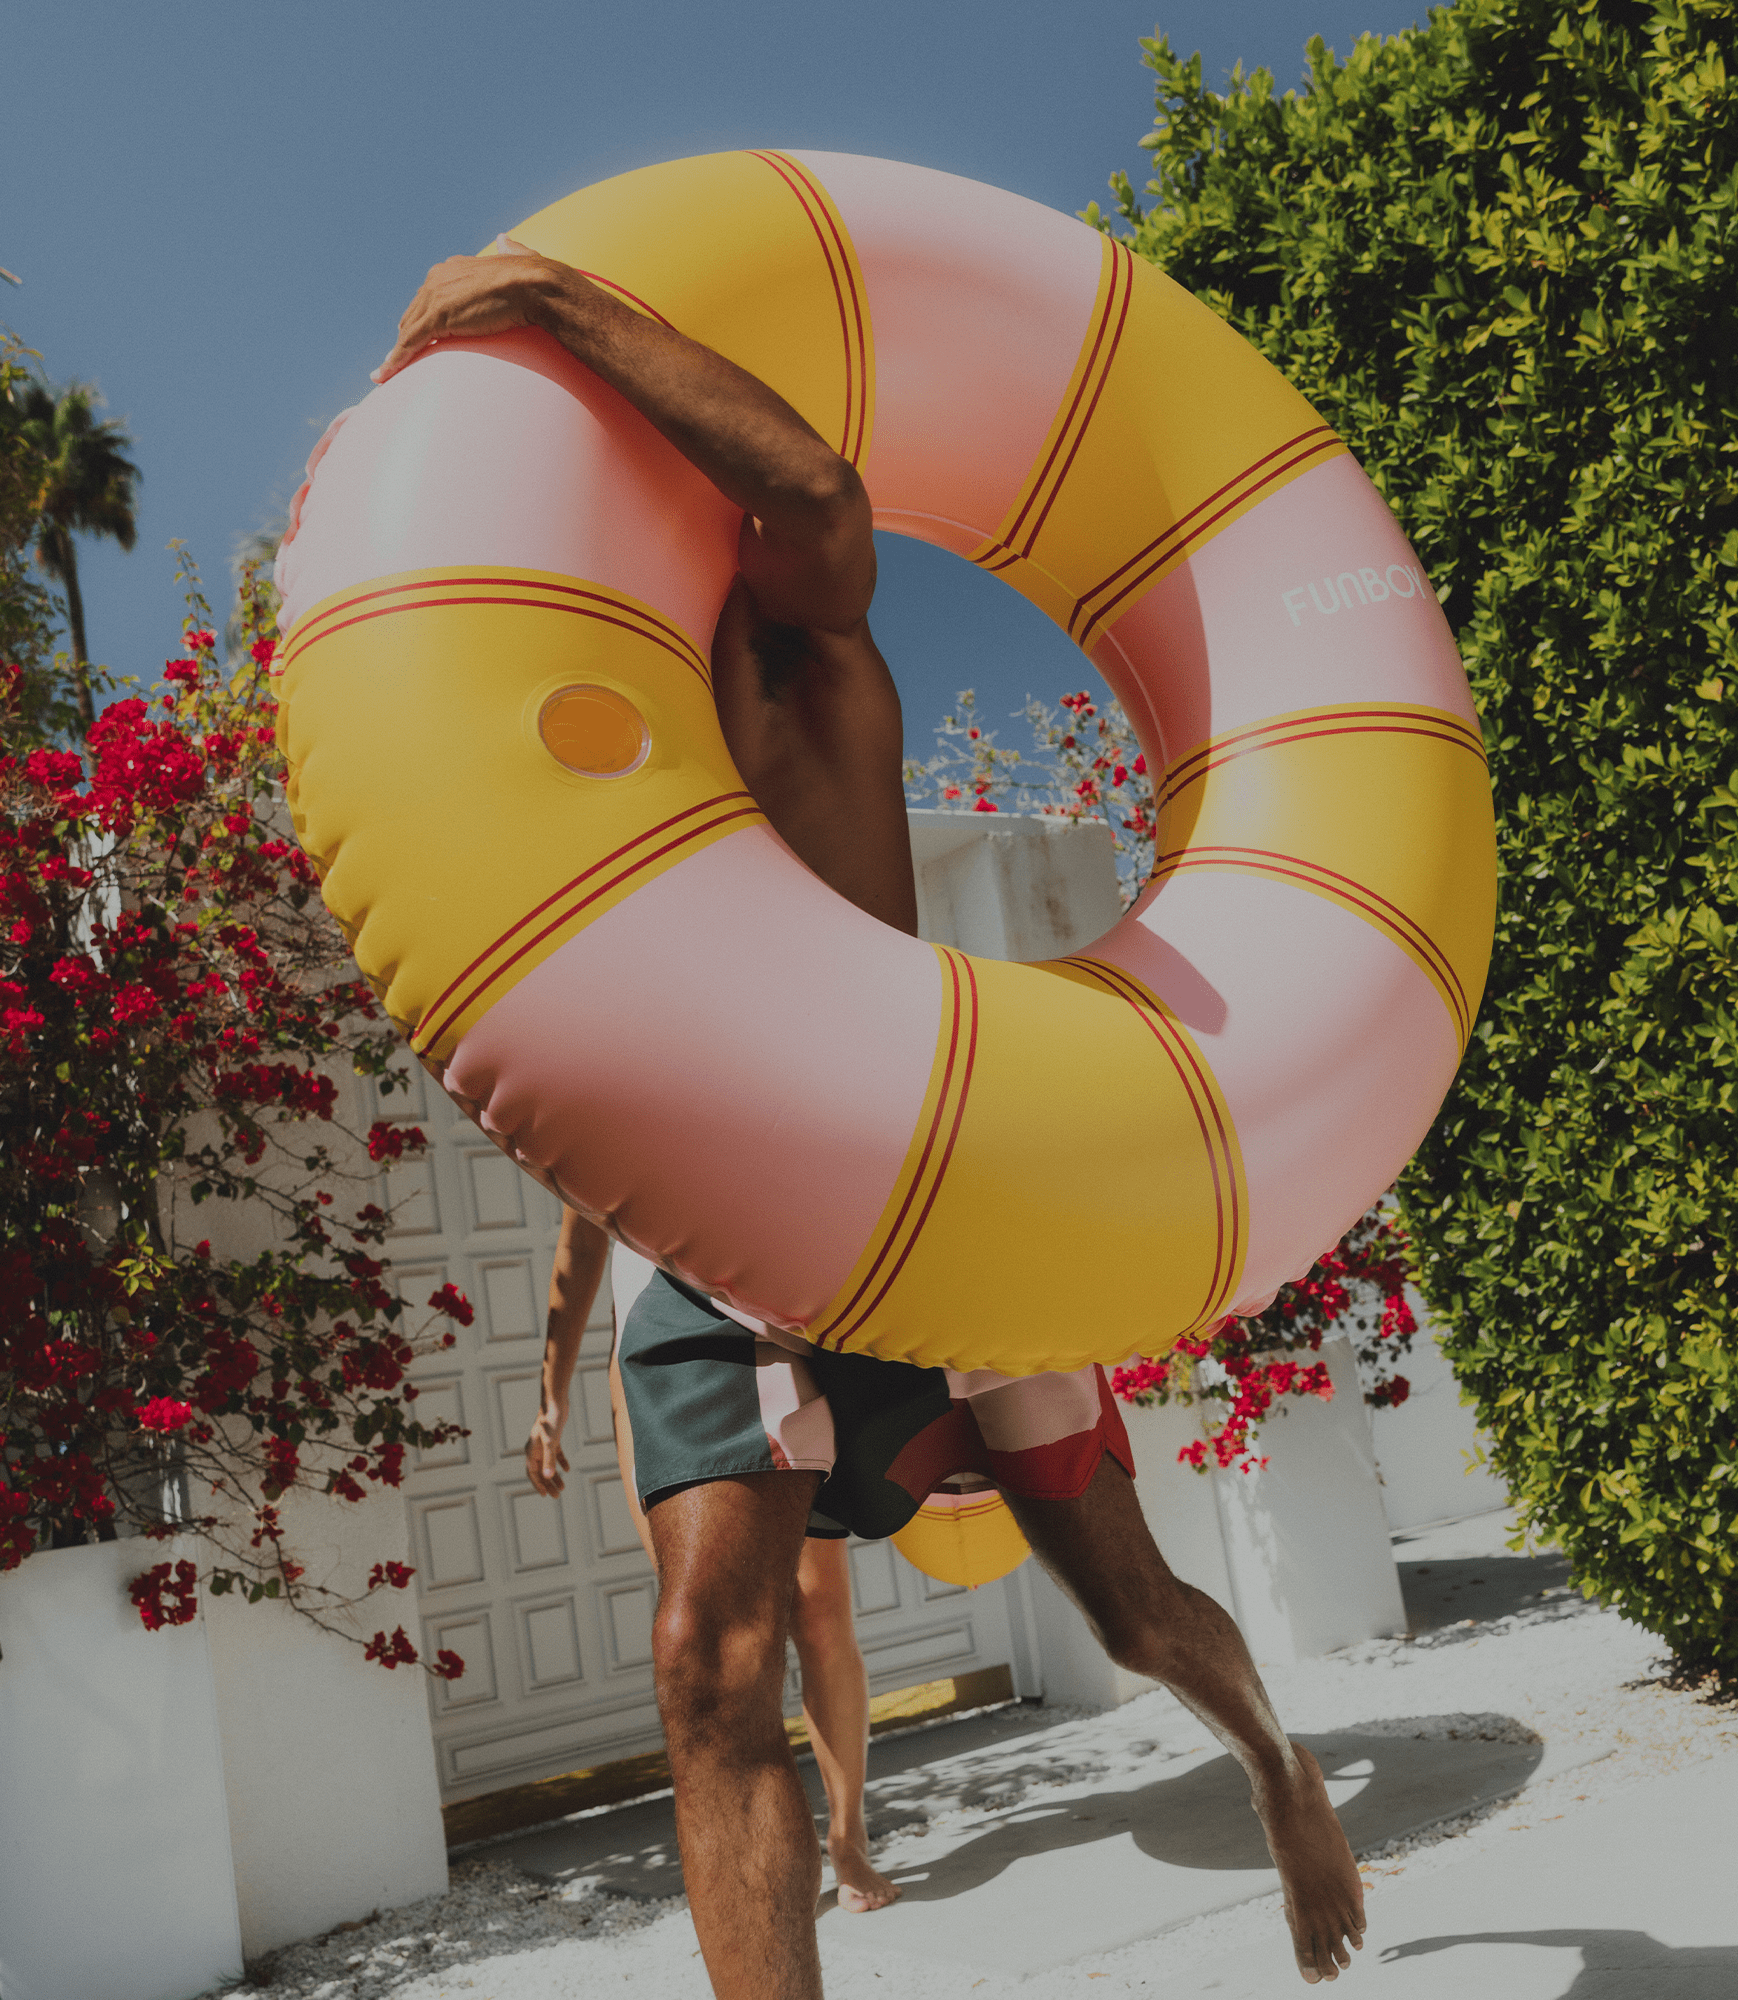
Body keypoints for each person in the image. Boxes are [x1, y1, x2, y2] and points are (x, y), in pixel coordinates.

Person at [376, 239, 1366, 1995]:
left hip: (924, 1182)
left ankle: (1279, 1769)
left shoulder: (794, 670)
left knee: (1129, 1610)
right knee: (702, 1665)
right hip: (709, 1231)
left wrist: (564, 306)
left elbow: (823, 492)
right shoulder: (546, 743)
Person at [525, 1204, 901, 1914]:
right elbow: (580, 1248)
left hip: (774, 1344)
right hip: (657, 1375)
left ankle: (848, 1838)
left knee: (819, 1613)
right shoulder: (605, 1114)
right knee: (716, 1638)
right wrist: (550, 1396)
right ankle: (766, 1855)